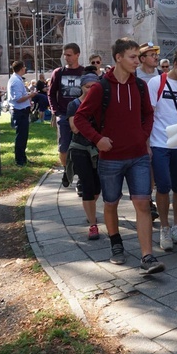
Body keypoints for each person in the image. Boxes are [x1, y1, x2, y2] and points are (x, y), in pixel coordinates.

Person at [73, 37, 164, 274]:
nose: (138, 61)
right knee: (111, 203)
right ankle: (116, 244)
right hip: (111, 159)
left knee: (142, 203)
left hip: (139, 157)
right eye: (133, 57)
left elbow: (148, 114)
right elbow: (80, 118)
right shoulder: (100, 87)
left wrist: (142, 135)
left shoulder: (141, 86)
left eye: (138, 57)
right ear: (119, 58)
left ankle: (148, 256)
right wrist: (98, 139)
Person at [147, 49, 177, 251]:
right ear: (175, 65)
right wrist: (146, 143)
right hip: (159, 143)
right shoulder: (156, 83)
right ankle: (164, 228)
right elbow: (148, 113)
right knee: (163, 186)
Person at [67, 73, 102, 241]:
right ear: (82, 87)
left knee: (97, 187)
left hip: (98, 149)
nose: (91, 90)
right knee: (87, 185)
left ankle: (91, 210)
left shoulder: (101, 103)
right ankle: (93, 225)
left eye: (94, 87)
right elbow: (75, 128)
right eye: (88, 87)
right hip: (80, 148)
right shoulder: (74, 105)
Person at [49, 43, 85, 185]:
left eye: (69, 55)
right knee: (64, 147)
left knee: (81, 147)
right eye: (64, 55)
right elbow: (51, 93)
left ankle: (81, 175)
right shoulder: (59, 72)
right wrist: (55, 111)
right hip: (63, 115)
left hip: (81, 116)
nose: (66, 58)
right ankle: (66, 170)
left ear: (77, 55)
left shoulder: (83, 72)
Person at [7, 61, 33, 167]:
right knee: (21, 136)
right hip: (19, 111)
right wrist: (31, 95)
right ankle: (19, 160)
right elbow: (18, 99)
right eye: (24, 67)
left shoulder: (17, 79)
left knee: (23, 136)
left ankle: (23, 157)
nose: (25, 69)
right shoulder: (16, 81)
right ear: (21, 68)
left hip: (22, 111)